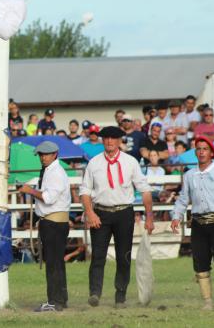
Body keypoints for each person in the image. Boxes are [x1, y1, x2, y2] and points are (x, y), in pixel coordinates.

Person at [79, 126, 154, 308]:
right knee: (98, 255)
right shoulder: (94, 163)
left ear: (120, 141)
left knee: (124, 256)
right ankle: (94, 293)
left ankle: (120, 295)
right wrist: (90, 213)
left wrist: (149, 216)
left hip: (124, 212)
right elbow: (85, 190)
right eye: (106, 138)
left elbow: (144, 190)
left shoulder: (130, 162)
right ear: (102, 140)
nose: (109, 141)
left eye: (113, 138)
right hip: (100, 212)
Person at [170, 136, 214, 310]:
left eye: (205, 149)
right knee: (200, 263)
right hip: (198, 224)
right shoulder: (189, 175)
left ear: (211, 153)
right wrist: (176, 216)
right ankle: (207, 302)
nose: (201, 152)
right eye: (198, 149)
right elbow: (183, 199)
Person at [18, 141, 72, 312]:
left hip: (53, 222)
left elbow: (49, 198)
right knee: (56, 263)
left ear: (54, 154)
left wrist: (30, 191)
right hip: (55, 221)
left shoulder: (54, 173)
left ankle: (54, 301)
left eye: (46, 154)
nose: (42, 157)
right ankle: (60, 299)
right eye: (41, 154)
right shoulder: (51, 171)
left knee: (53, 263)